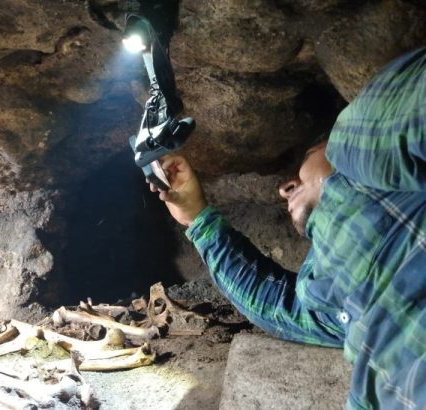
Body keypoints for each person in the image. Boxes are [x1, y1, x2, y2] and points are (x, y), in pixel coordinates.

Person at [151, 47, 426, 409]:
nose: (285, 187)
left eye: (304, 161)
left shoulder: (362, 143)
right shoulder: (330, 297)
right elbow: (276, 306)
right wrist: (197, 217)